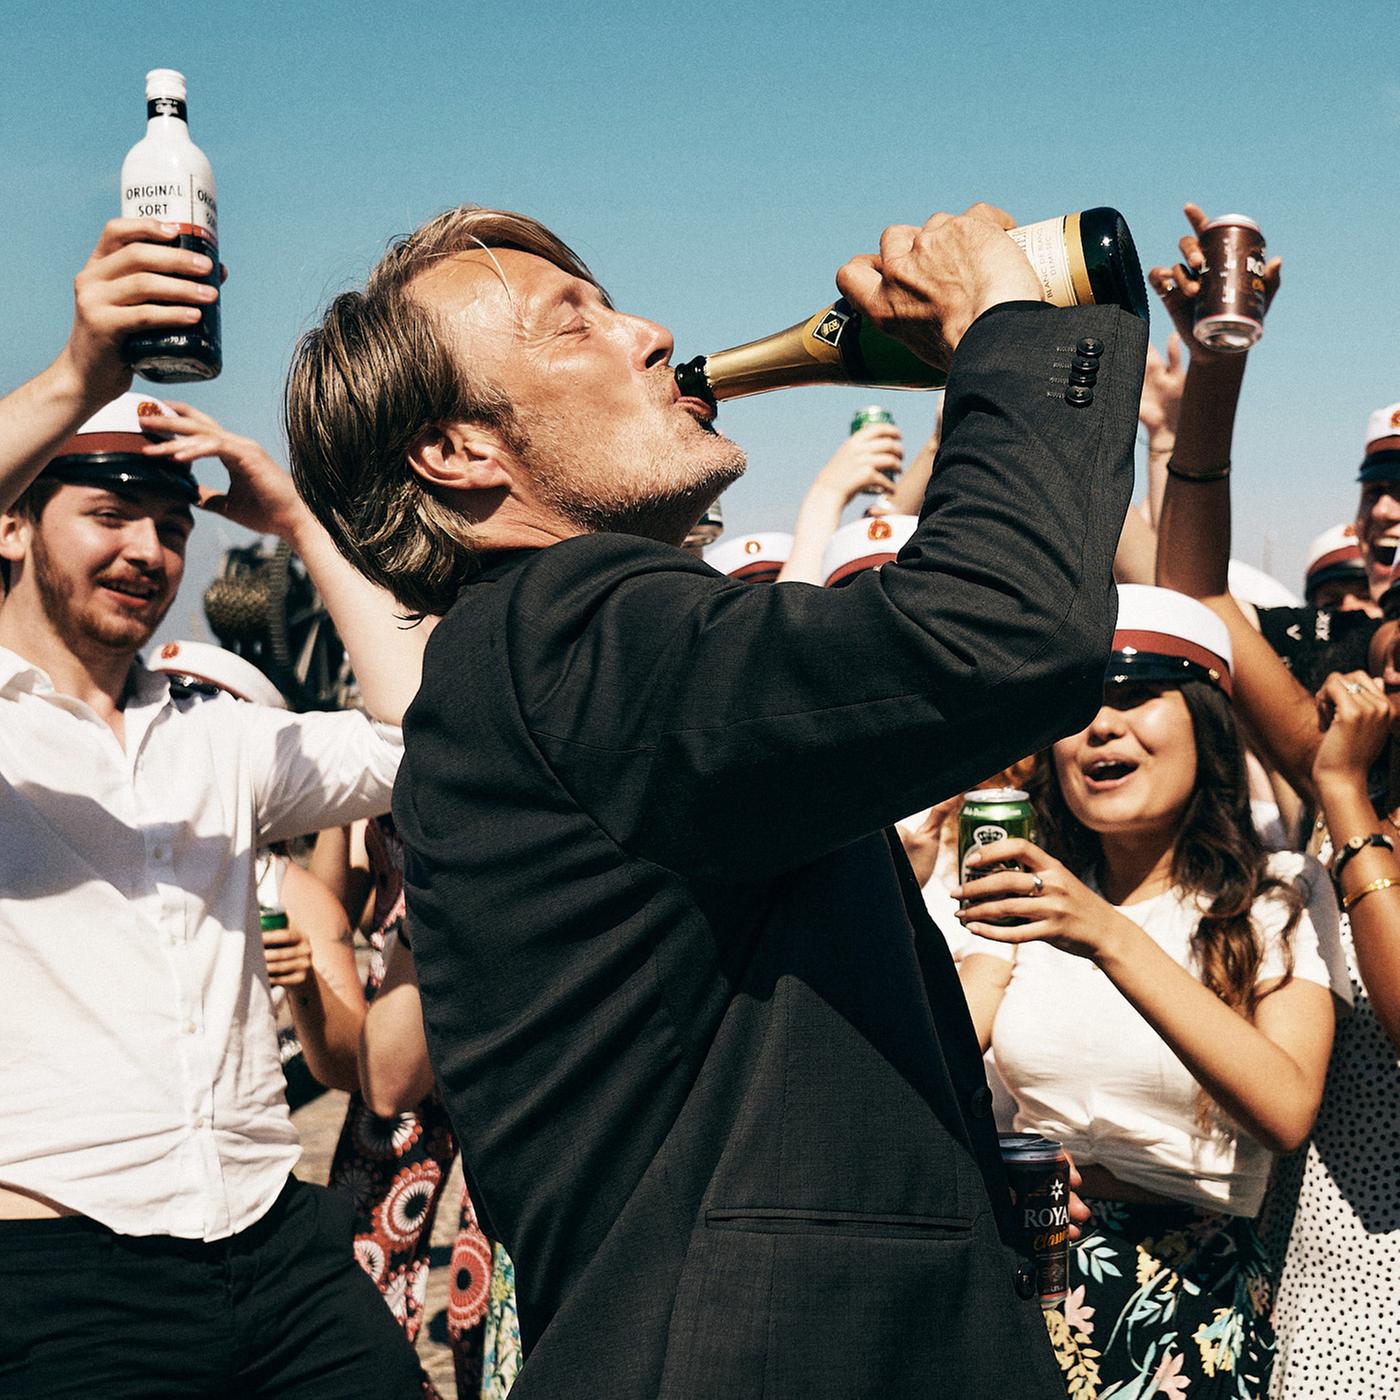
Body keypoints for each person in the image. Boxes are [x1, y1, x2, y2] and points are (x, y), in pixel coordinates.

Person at [285, 200, 1148, 1398]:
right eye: (570, 327)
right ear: (459, 451)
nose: (650, 332)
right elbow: (999, 633)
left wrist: (1064, 338)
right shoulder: (564, 630)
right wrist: (1004, 322)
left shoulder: (545, 662)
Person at [0, 220, 426, 1397]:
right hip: (59, 1264)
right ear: (14, 522)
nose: (150, 549)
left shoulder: (220, 730)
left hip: (272, 1241)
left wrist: (298, 522)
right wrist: (78, 378)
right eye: (109, 513)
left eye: (175, 524)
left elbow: (426, 735)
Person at [952, 586, 1346, 1398]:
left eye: (1136, 697)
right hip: (1030, 1276)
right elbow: (929, 1068)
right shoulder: (1024, 896)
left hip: (1191, 1304)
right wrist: (993, 1167)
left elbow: (1285, 1107)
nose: (1101, 726)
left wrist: (1106, 933)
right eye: (1081, 704)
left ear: (1204, 724)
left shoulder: (1279, 894)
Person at [1148, 206, 1400, 1400]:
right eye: (1377, 491)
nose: (1386, 515)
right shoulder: (1358, 754)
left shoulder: (1345, 783)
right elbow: (1194, 597)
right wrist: (1214, 365)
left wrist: (1340, 805)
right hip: (1328, 1295)